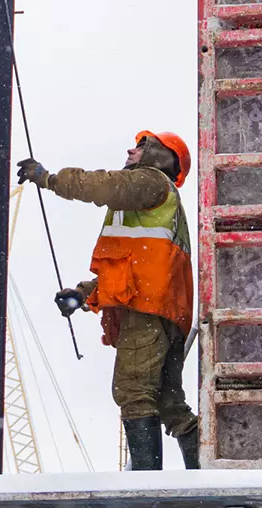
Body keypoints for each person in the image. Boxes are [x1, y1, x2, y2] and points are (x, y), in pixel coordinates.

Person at [16, 131, 198, 471]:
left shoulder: (151, 182)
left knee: (133, 389)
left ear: (161, 156)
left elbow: (102, 186)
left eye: (142, 146)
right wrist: (82, 294)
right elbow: (130, 269)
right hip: (166, 309)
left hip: (146, 308)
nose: (130, 150)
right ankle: (206, 472)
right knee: (169, 401)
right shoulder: (156, 204)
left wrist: (49, 179)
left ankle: (146, 485)